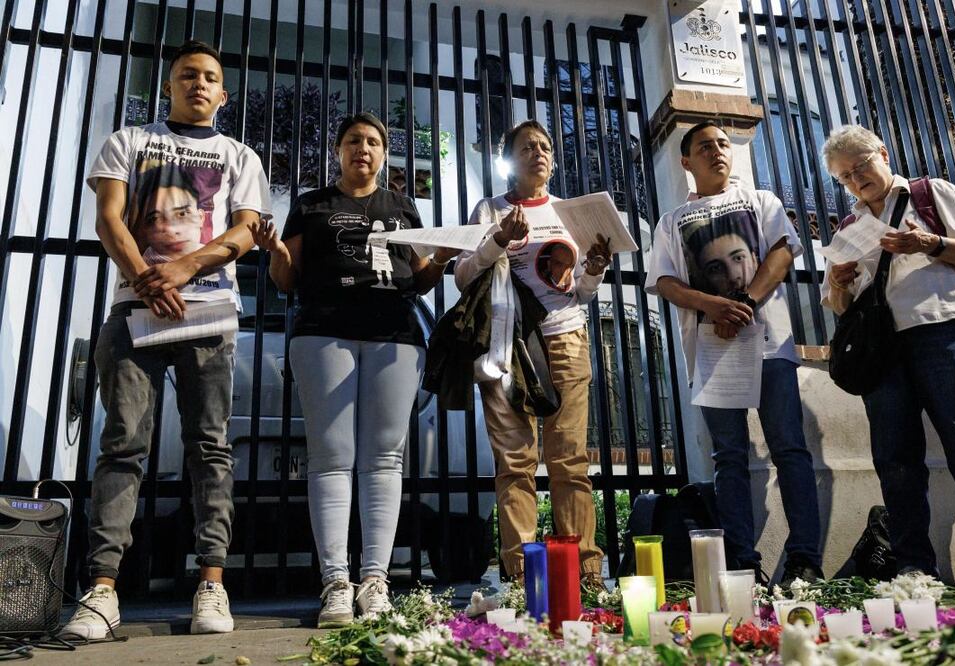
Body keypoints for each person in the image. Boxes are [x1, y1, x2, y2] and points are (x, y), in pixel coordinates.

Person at [62, 40, 272, 639]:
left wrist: (183, 269)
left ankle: (211, 583)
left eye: (209, 77)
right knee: (123, 444)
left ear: (223, 94)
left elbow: (245, 231)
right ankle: (102, 589)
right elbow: (109, 218)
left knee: (211, 448)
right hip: (135, 310)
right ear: (170, 85)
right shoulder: (128, 141)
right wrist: (146, 280)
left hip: (208, 312)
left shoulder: (239, 155)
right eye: (187, 75)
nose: (198, 84)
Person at [248, 112, 458, 627]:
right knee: (331, 457)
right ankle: (335, 583)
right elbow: (286, 280)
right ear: (339, 152)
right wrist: (274, 249)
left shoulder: (403, 207)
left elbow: (421, 281)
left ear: (383, 155)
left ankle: (374, 581)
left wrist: (445, 256)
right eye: (352, 141)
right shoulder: (312, 204)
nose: (362, 148)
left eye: (372, 142)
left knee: (385, 459)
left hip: (395, 337)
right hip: (323, 333)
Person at [819, 124, 955, 591]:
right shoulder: (848, 228)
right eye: (845, 177)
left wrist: (928, 243)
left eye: (861, 167)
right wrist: (837, 283)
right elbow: (837, 306)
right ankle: (914, 567)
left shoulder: (929, 192)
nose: (857, 181)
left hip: (945, 331)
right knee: (895, 459)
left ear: (882, 151)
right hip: (882, 351)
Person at [645, 119, 823, 587]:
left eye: (723, 143)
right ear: (686, 161)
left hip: (770, 345)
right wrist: (711, 305)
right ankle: (742, 561)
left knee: (790, 450)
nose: (717, 151)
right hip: (711, 349)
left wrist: (743, 304)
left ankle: (805, 558)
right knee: (729, 457)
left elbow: (782, 254)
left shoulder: (761, 200)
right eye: (704, 146)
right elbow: (664, 281)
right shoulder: (671, 221)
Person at [454, 119, 612, 588]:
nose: (538, 153)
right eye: (526, 147)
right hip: (504, 343)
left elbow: (580, 292)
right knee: (515, 461)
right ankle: (524, 576)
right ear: (510, 159)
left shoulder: (570, 212)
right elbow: (463, 276)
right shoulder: (490, 208)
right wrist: (498, 240)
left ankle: (583, 572)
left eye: (545, 146)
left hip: (564, 337)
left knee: (570, 459)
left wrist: (596, 271)